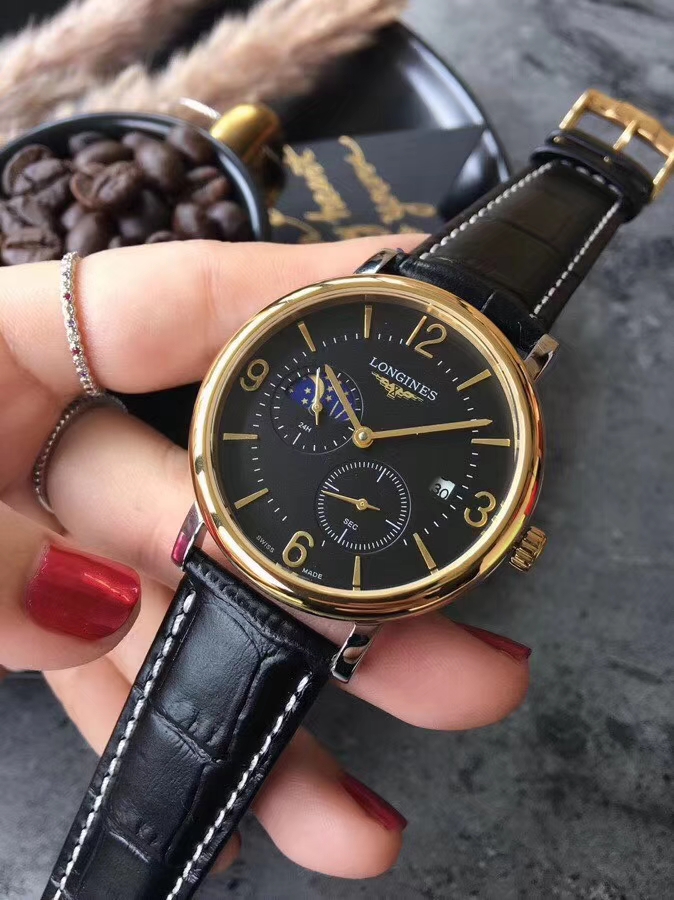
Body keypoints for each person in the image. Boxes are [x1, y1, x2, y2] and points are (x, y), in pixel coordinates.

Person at [0, 236, 530, 878]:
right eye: (357, 428)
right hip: (222, 538)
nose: (362, 438)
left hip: (297, 582)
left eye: (364, 437)